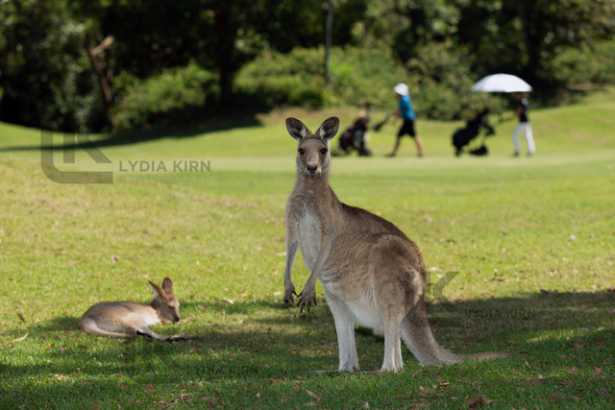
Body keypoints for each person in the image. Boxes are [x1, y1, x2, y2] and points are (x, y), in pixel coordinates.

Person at [387, 83, 423, 157]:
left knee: (401, 136)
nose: (395, 94)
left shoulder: (403, 100)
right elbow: (399, 111)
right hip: (409, 119)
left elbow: (400, 112)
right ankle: (420, 152)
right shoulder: (405, 99)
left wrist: (395, 119)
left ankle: (394, 153)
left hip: (408, 120)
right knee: (411, 136)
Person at [512, 92, 536, 157]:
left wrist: (515, 113)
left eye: (516, 95)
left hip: (523, 122)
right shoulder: (524, 101)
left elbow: (519, 112)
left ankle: (517, 150)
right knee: (528, 136)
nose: (515, 96)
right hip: (526, 122)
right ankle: (531, 151)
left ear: (519, 95)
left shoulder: (522, 102)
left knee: (514, 135)